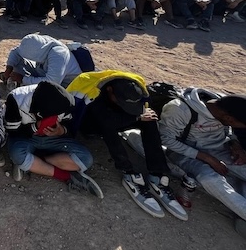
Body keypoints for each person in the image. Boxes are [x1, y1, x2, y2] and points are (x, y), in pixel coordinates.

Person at [67, 70, 187, 220]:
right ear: (109, 90)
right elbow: (105, 120)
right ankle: (129, 174)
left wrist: (141, 114)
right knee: (109, 125)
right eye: (121, 101)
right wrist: (137, 117)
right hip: (90, 124)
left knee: (149, 119)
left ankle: (157, 175)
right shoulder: (93, 90)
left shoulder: (134, 85)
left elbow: (141, 109)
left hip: (117, 117)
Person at [159, 91, 246, 236]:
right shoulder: (180, 109)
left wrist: (235, 144)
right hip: (185, 152)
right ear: (228, 118)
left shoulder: (221, 105)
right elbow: (165, 139)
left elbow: (229, 129)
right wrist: (206, 158)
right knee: (211, 179)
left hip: (219, 148)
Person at [5, 81, 102, 197]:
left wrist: (62, 130)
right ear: (38, 113)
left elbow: (70, 126)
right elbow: (12, 131)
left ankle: (34, 162)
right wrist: (35, 127)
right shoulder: (16, 98)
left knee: (85, 159)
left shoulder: (64, 100)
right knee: (17, 154)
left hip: (54, 139)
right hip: (26, 138)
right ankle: (66, 176)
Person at [1, 34, 82, 88]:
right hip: (43, 71)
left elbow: (52, 82)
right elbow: (16, 52)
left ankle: (21, 84)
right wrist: (9, 68)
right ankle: (18, 81)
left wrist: (23, 79)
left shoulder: (59, 54)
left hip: (63, 84)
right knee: (16, 62)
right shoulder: (38, 43)